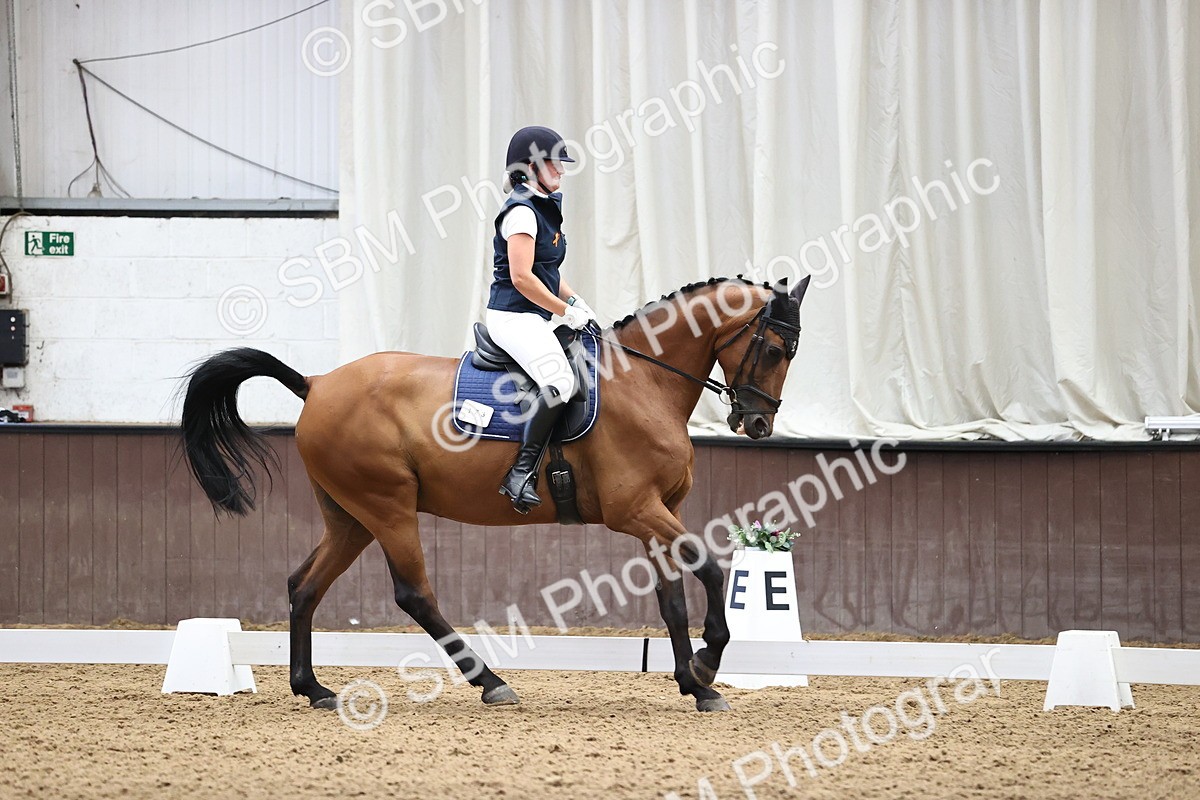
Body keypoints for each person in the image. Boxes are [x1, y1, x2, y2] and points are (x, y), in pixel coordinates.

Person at [487, 125, 597, 512]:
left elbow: (547, 270)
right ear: (532, 167)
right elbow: (521, 278)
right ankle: (520, 473)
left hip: (536, 314)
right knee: (561, 379)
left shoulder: (544, 207)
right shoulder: (521, 212)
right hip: (513, 316)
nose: (562, 171)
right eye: (555, 163)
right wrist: (564, 312)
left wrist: (576, 300)